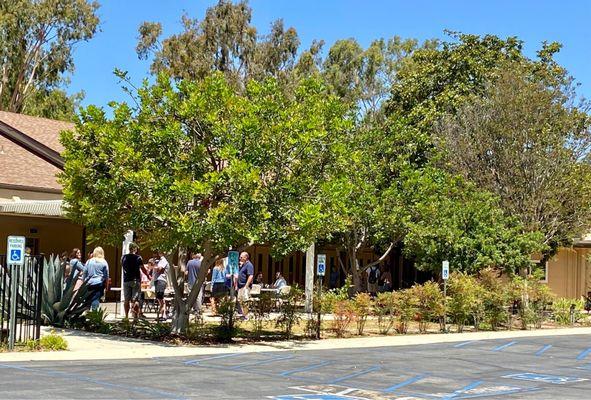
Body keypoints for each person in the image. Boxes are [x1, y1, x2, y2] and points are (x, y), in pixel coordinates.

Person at [122, 242, 149, 320]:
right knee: (135, 299)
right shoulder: (138, 258)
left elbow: (123, 266)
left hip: (126, 280)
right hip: (135, 280)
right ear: (135, 249)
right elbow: (142, 268)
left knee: (126, 299)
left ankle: (126, 316)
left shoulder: (123, 257)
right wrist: (147, 275)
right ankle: (135, 317)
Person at [83, 247, 109, 311]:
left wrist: (84, 282)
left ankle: (87, 313)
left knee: (88, 299)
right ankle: (94, 314)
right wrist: (107, 286)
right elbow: (107, 275)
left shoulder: (89, 261)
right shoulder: (104, 262)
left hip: (89, 283)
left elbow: (85, 272)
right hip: (99, 283)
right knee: (96, 299)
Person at [153, 251, 169, 321]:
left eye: (159, 252)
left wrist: (152, 267)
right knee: (160, 298)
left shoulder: (163, 260)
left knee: (160, 298)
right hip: (157, 280)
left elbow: (159, 269)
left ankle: (163, 315)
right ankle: (163, 315)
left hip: (161, 280)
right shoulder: (159, 261)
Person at [237, 251, 254, 319]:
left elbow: (250, 276)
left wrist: (246, 286)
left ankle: (246, 316)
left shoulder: (249, 265)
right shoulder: (243, 265)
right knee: (240, 300)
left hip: (244, 286)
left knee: (245, 301)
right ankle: (243, 314)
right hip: (240, 286)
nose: (239, 258)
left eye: (241, 257)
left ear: (246, 257)